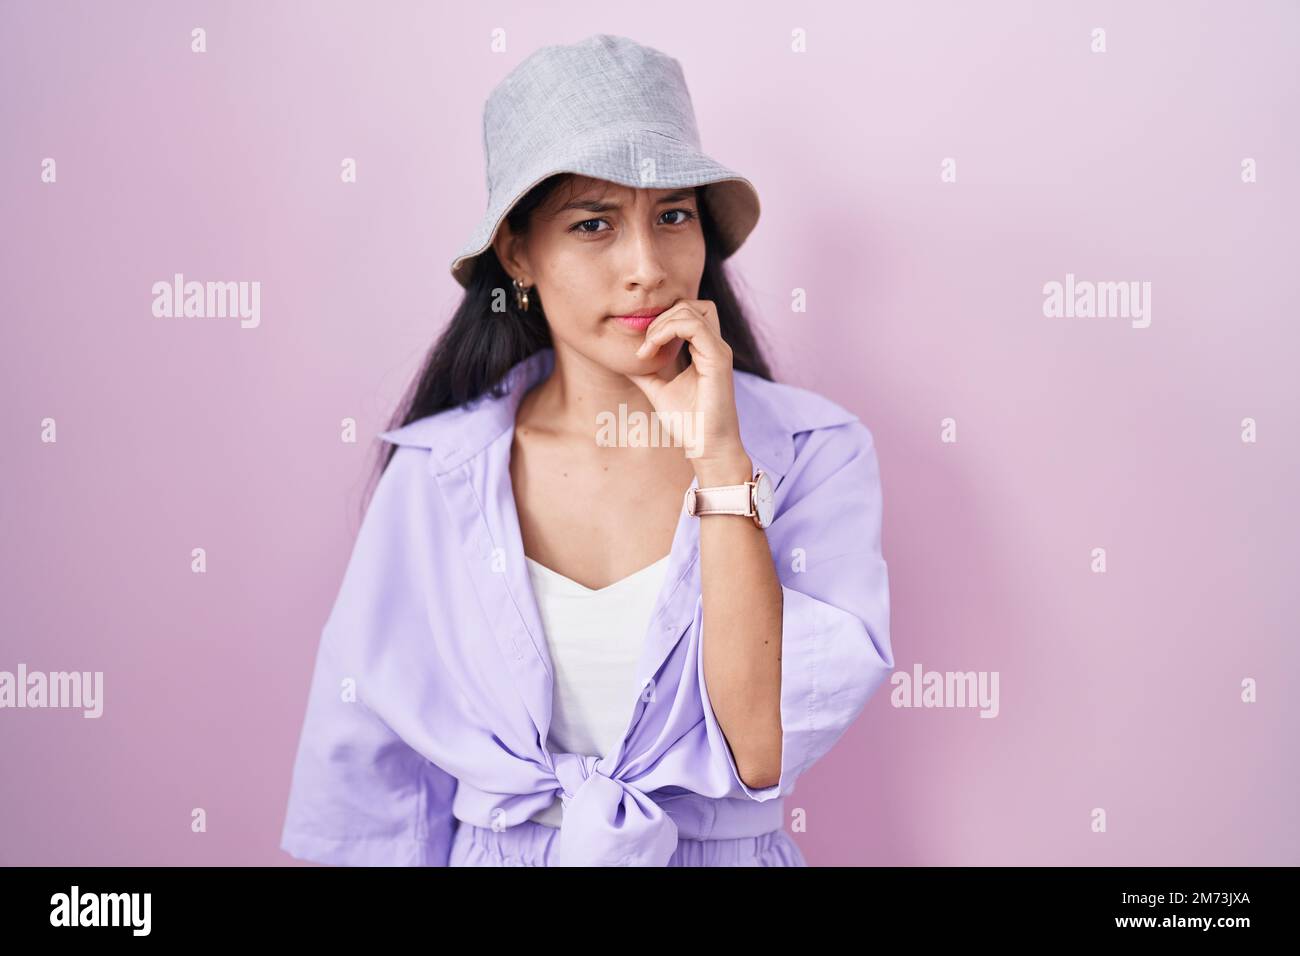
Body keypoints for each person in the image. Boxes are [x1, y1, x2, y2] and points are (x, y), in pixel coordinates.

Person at [278, 33, 893, 867]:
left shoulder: (815, 451)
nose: (647, 267)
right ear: (518, 254)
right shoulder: (437, 474)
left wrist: (720, 462)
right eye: (594, 224)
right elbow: (366, 797)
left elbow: (761, 750)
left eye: (673, 215)